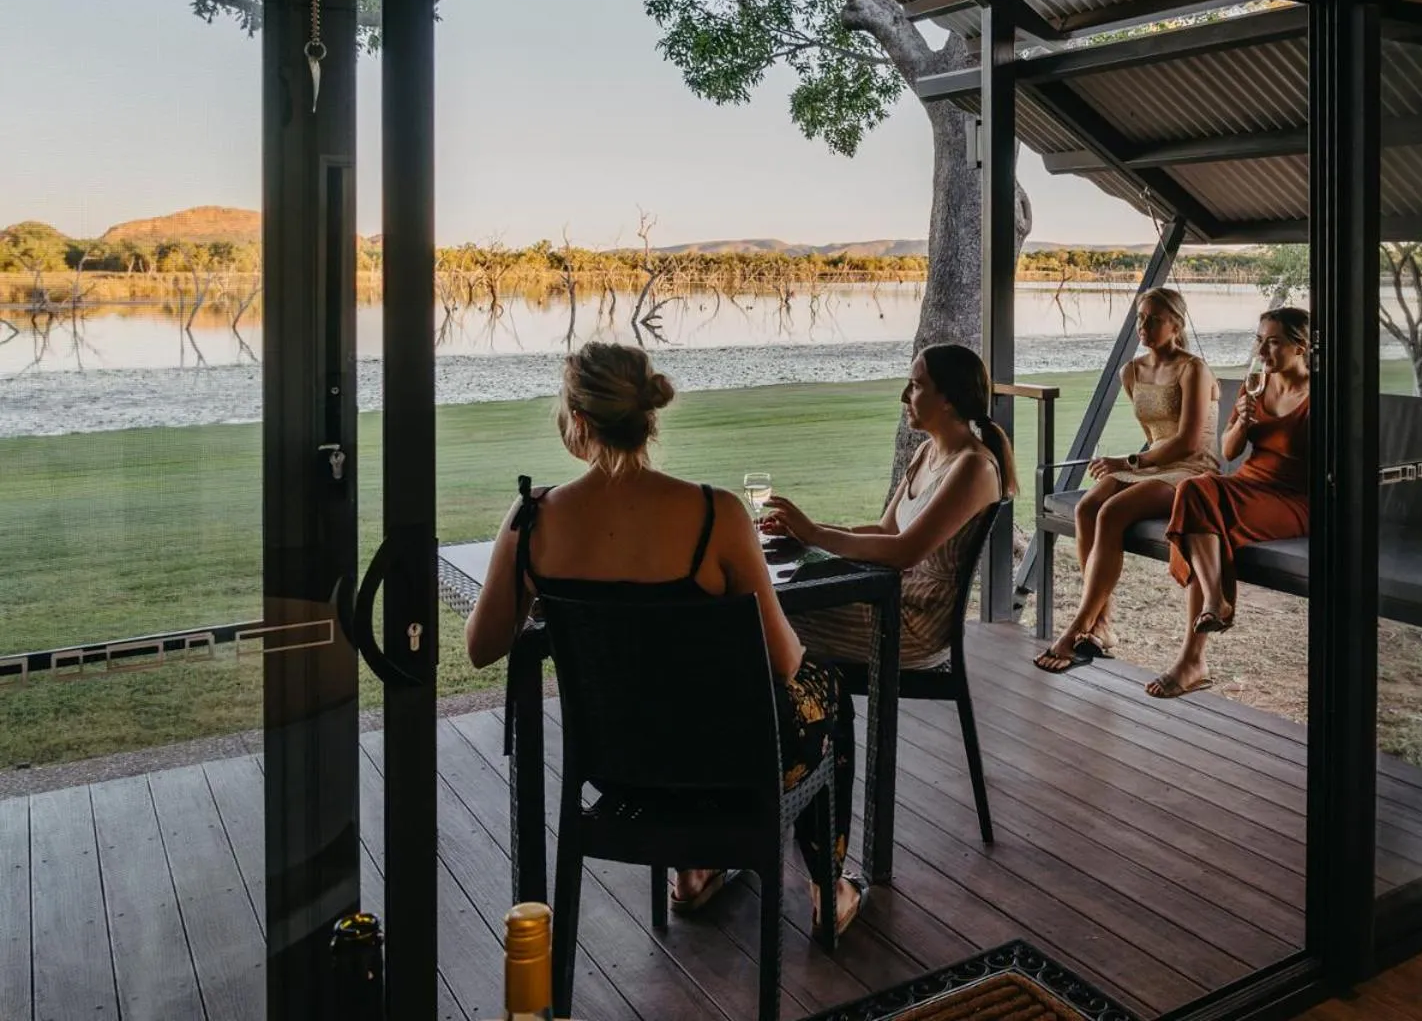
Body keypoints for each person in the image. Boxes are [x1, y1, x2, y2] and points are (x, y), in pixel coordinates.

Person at [463, 341, 866, 935]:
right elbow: (783, 663)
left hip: (619, 769)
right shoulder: (715, 515)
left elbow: (482, 646)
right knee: (826, 691)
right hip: (734, 761)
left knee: (661, 705)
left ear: (578, 420)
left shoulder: (532, 521)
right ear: (649, 416)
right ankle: (827, 887)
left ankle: (692, 872)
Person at [761, 343, 1017, 670]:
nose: (904, 396)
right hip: (889, 597)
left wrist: (814, 533)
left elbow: (903, 552)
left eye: (916, 385)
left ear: (948, 399)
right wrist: (808, 530)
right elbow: (885, 531)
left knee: (765, 617)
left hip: (915, 626)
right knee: (765, 613)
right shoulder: (927, 452)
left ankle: (806, 713)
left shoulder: (973, 468)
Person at [1033, 287, 1220, 673]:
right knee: (1087, 508)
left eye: (1153, 319)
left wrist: (1130, 461)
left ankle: (1080, 625)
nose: (1143, 326)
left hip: (1192, 468)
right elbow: (1156, 434)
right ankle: (1102, 624)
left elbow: (1186, 440)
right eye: (1140, 318)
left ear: (1176, 324)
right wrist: (1134, 465)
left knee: (1112, 512)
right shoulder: (1131, 371)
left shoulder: (1194, 369)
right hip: (1153, 463)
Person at [1149, 306, 1311, 700]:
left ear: (1300, 347)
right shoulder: (1257, 384)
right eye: (1259, 340)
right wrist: (1242, 422)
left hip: (1294, 499)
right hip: (1248, 484)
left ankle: (1193, 657)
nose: (1263, 352)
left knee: (1202, 522)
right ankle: (1214, 601)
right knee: (1194, 490)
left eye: (1273, 343)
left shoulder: (1320, 396)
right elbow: (1228, 451)